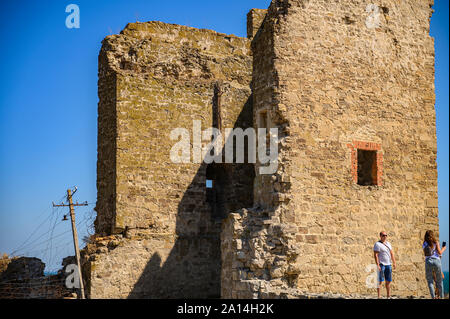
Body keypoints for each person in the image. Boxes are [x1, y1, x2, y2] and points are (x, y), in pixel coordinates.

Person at [422, 230, 446, 299]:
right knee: (439, 280)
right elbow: (440, 252)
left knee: (430, 281)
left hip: (428, 261)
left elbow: (425, 254)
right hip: (436, 261)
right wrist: (443, 248)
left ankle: (433, 297)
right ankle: (441, 297)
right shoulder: (436, 242)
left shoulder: (424, 243)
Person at [373, 231, 396, 298]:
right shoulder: (377, 244)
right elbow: (376, 255)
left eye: (386, 235)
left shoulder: (388, 243)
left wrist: (394, 262)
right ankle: (379, 296)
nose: (385, 236)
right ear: (380, 236)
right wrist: (377, 264)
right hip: (382, 264)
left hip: (388, 264)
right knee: (380, 281)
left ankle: (388, 295)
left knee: (388, 281)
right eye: (383, 235)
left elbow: (391, 253)